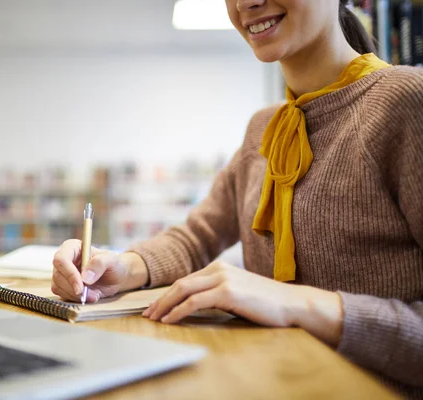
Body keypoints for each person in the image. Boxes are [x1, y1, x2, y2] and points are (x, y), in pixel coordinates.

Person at [52, 0, 423, 397]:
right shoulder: (265, 128)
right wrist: (124, 268)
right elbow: (197, 236)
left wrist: (299, 303)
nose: (246, 3)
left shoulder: (407, 101)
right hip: (272, 382)